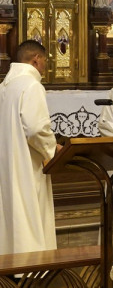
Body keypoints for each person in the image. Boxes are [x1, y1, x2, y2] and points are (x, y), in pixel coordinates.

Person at [0, 40, 61, 256]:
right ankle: (32, 266)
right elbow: (35, 129)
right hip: (27, 162)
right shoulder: (32, 85)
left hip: (8, 160)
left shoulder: (5, 86)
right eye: (45, 60)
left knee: (12, 210)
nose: (45, 66)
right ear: (36, 59)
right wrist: (53, 150)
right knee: (29, 209)